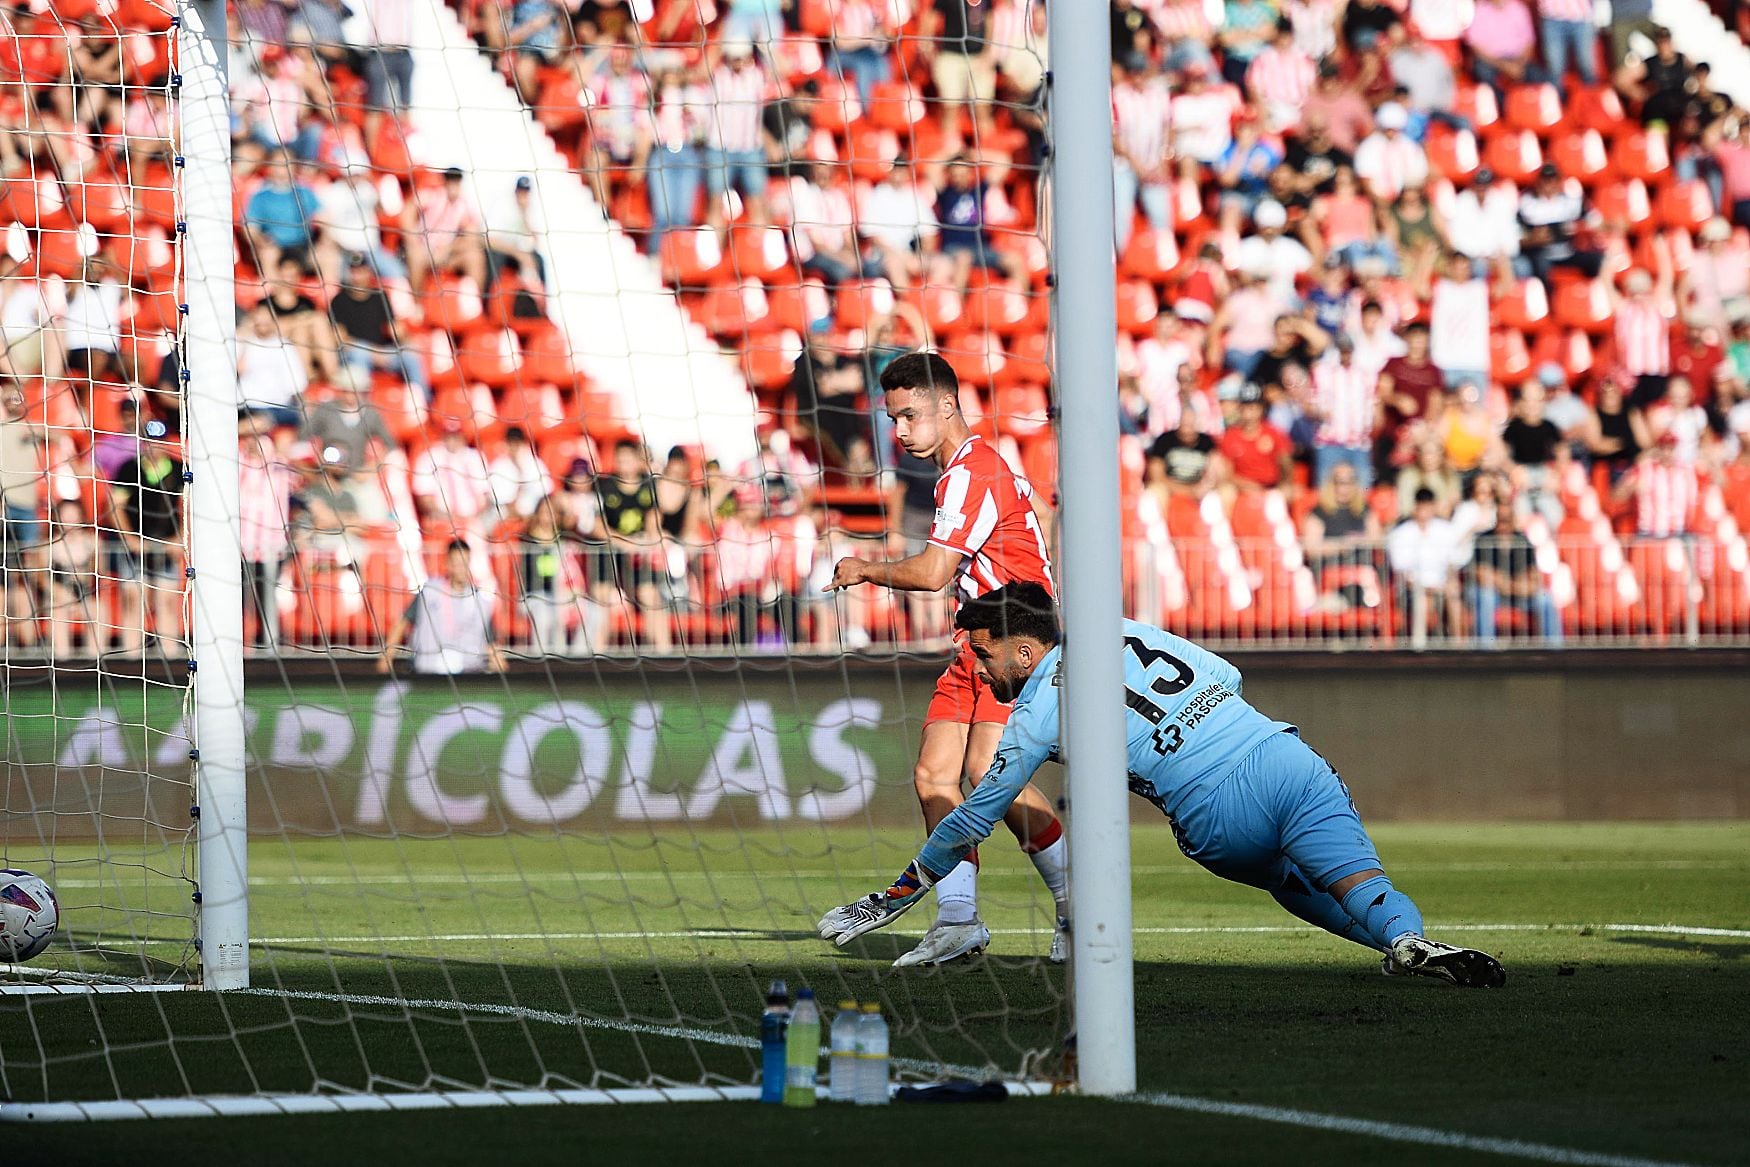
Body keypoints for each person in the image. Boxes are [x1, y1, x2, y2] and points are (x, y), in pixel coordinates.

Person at [818, 582, 1508, 988]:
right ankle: (1407, 936)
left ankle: (1399, 947)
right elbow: (1227, 674)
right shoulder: (1122, 627)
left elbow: (973, 817)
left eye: (983, 651)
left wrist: (898, 891)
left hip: (1212, 817)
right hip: (1276, 755)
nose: (979, 665)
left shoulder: (1031, 712)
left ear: (1023, 650)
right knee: (1354, 876)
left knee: (1284, 879)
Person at [825, 353, 1068, 967]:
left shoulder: (972, 471)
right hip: (976, 644)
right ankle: (958, 920)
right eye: (894, 419)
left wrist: (864, 568)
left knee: (991, 772)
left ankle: (1078, 908)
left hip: (1013, 646)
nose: (900, 431)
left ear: (947, 406)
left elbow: (933, 574)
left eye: (909, 415)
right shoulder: (966, 472)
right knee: (935, 775)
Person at [378, 537, 506, 675]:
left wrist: (498, 661)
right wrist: (387, 658)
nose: (462, 569)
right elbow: (402, 623)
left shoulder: (480, 600)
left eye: (465, 563)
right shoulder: (430, 592)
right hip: (428, 671)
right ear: (448, 564)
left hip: (468, 673)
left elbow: (490, 640)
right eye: (457, 563)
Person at [1471, 495, 1563, 646]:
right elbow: (1482, 575)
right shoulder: (1484, 539)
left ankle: (1554, 649)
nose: (1504, 522)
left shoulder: (1523, 540)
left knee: (1545, 598)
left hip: (1517, 593)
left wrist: (1511, 586)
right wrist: (1515, 585)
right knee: (1485, 596)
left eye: (1507, 518)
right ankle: (1485, 650)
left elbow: (1533, 577)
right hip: (1494, 592)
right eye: (1501, 518)